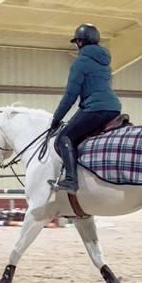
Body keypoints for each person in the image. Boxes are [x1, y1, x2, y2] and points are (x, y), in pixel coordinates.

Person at [48, 23, 122, 195]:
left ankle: (71, 180)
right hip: (114, 108)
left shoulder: (80, 62)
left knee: (64, 137)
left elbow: (70, 96)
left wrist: (56, 119)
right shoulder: (105, 63)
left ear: (80, 42)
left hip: (95, 109)